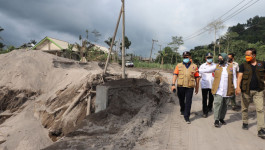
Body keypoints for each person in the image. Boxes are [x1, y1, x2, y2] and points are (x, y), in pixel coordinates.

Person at [199, 53, 237, 127]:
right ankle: (216, 120)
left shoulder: (231, 67)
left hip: (227, 89)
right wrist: (198, 70)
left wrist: (236, 88)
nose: (219, 59)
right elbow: (206, 70)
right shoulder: (216, 66)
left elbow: (234, 78)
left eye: (221, 58)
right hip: (218, 89)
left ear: (225, 59)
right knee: (217, 104)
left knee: (225, 105)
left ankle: (221, 118)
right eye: (219, 58)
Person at [236, 48, 265, 138]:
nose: (246, 57)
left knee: (260, 109)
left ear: (254, 55)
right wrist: (237, 87)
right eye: (246, 55)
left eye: (248, 55)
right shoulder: (243, 65)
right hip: (246, 91)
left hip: (259, 91)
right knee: (245, 108)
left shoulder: (262, 64)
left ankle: (261, 129)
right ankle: (245, 122)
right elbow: (240, 77)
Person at [171, 51, 200, 124]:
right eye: (184, 56)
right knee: (181, 99)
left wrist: (197, 87)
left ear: (190, 57)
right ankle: (182, 109)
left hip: (190, 86)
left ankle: (187, 117)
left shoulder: (194, 66)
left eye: (187, 56)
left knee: (188, 101)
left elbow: (197, 77)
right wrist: (173, 84)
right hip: (180, 86)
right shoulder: (179, 65)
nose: (185, 58)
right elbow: (175, 75)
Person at [198, 52, 216, 118]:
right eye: (208, 58)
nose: (209, 59)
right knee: (204, 99)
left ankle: (210, 107)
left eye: (210, 57)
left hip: (212, 85)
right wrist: (197, 84)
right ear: (206, 58)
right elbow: (199, 75)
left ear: (212, 58)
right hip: (204, 85)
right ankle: (205, 112)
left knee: (211, 98)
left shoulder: (215, 65)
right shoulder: (202, 66)